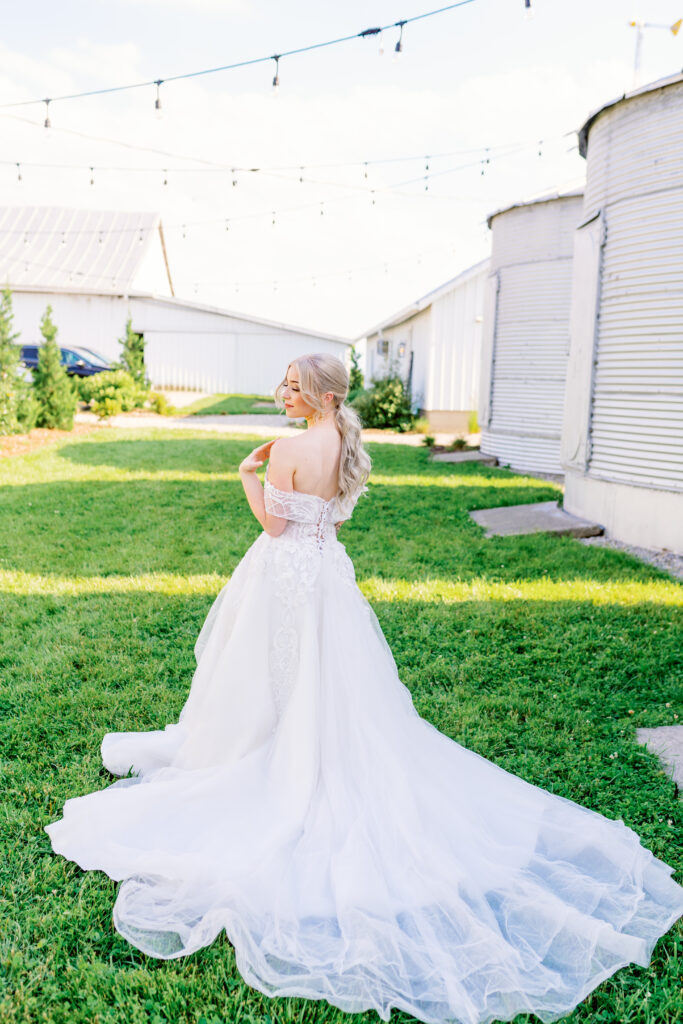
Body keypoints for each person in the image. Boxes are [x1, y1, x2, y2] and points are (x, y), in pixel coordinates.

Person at [45, 352, 683, 1024]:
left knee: (275, 679)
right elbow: (332, 523)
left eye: (292, 386)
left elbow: (273, 525)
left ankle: (273, 756)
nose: (281, 392)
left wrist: (245, 474)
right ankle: (302, 746)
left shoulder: (288, 449)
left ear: (319, 395)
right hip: (326, 577)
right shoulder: (348, 442)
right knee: (329, 681)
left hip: (284, 576)